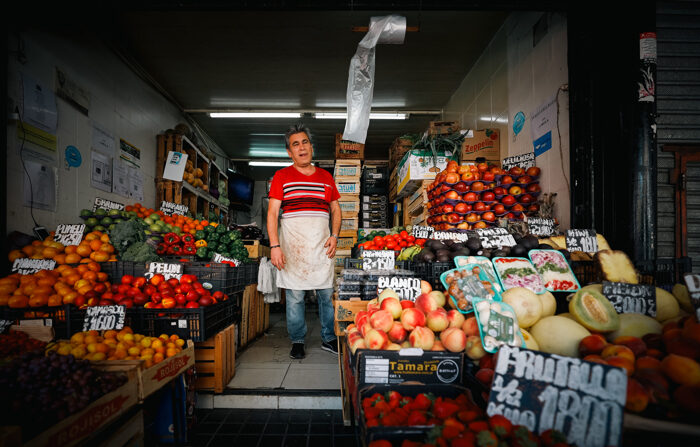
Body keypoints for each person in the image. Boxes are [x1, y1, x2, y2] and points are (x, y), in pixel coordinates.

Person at [267, 124, 341, 359]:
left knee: (326, 297)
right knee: (295, 298)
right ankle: (297, 340)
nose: (302, 147)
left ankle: (329, 338)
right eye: (295, 144)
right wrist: (275, 246)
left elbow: (336, 209)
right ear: (289, 152)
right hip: (292, 249)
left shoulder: (326, 177)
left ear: (311, 146)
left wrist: (335, 235)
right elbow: (272, 214)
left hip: (322, 249)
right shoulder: (282, 176)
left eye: (305, 142)